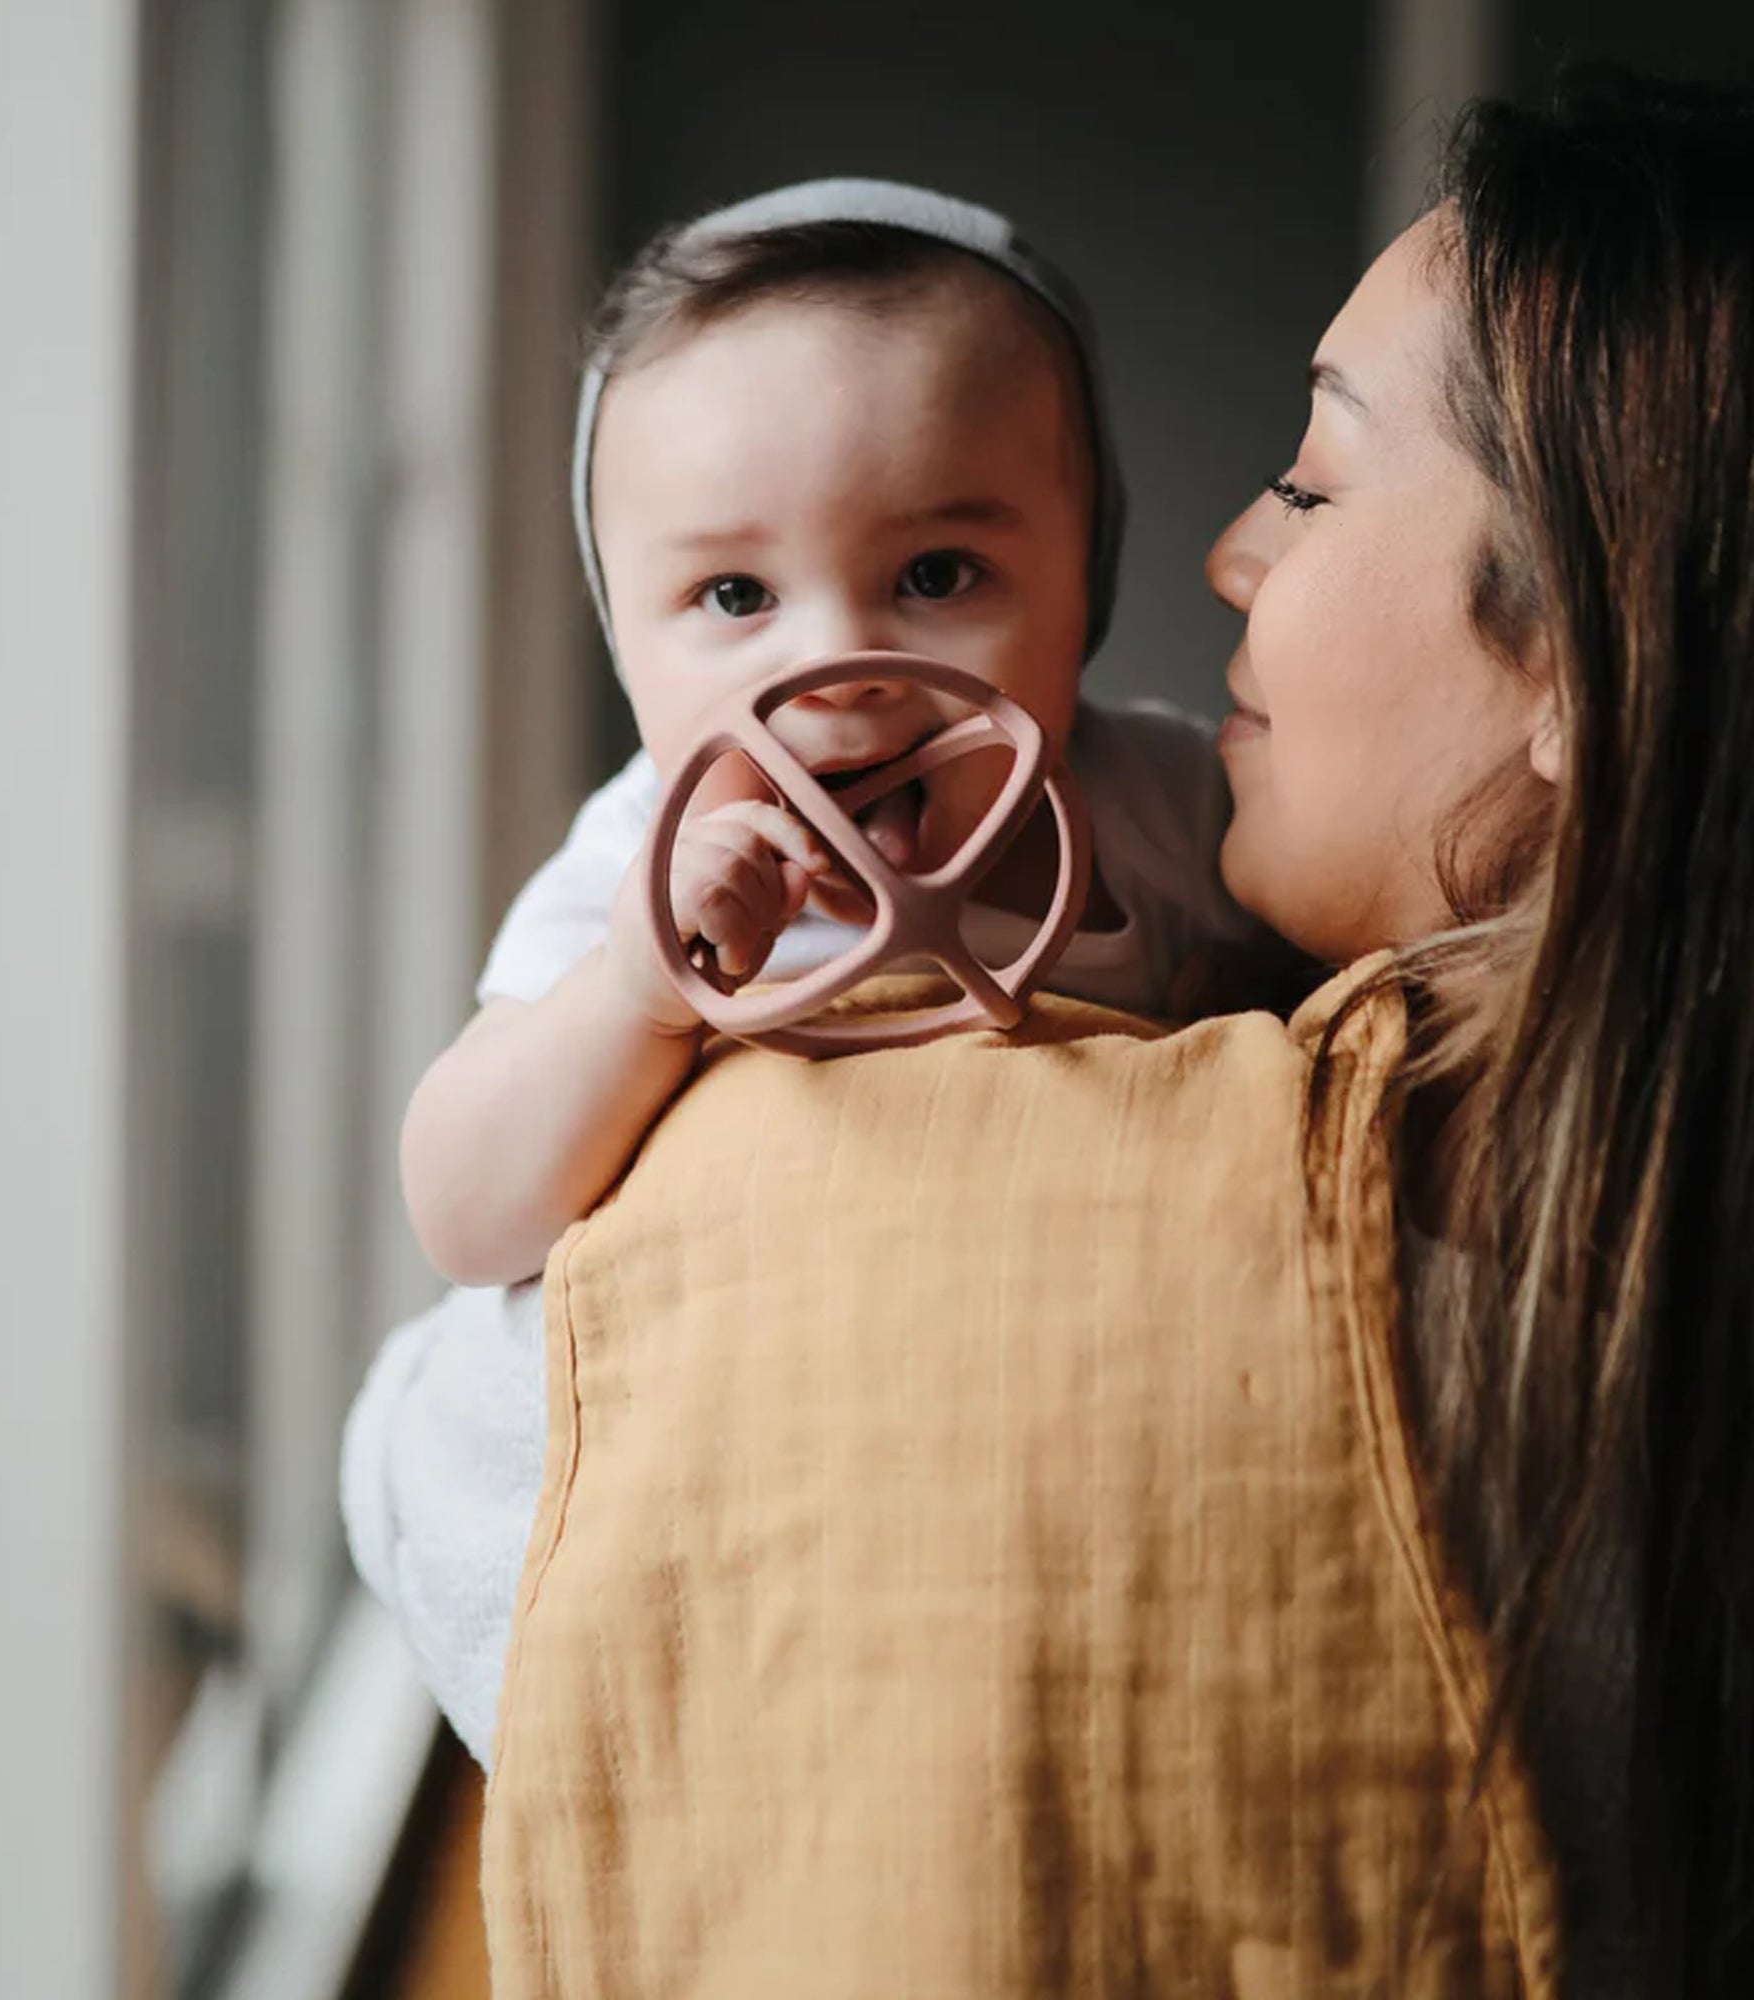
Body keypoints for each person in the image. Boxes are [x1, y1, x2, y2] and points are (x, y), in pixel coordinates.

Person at [346, 180, 1257, 1761]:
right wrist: (639, 988)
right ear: (624, 641)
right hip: (776, 1496)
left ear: (1085, 582)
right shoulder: (644, 866)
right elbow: (465, 1208)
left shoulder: (1161, 803)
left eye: (936, 576)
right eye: (734, 599)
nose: (835, 680)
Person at [1205, 68, 1754, 1997]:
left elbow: (423, 1462)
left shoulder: (1277, 1247)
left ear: (1587, 669)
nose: (1230, 554)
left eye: (1313, 479)